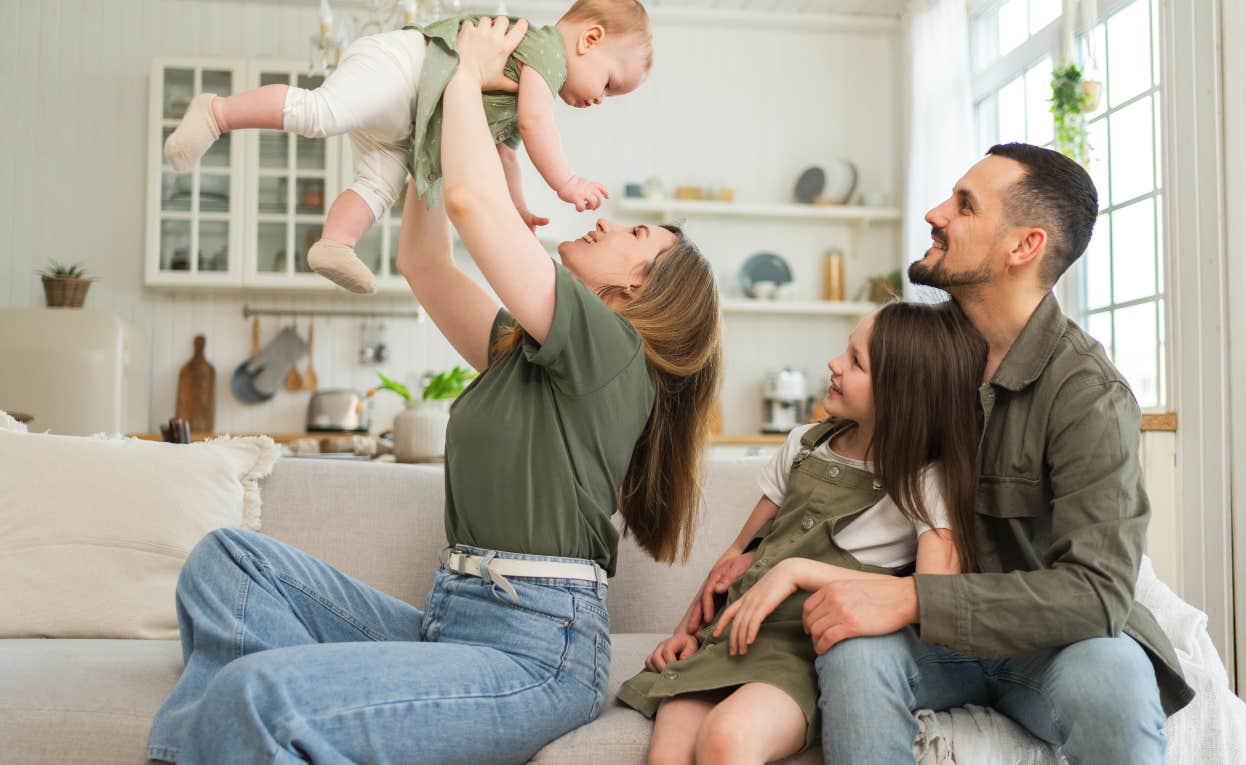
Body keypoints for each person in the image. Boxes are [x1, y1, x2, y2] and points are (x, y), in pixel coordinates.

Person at [146, 17, 721, 764]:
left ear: (640, 288)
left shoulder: (615, 352)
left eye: (636, 233)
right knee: (228, 562)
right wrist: (434, 116)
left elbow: (476, 206)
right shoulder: (526, 347)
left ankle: (266, 722)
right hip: (455, 619)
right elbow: (424, 262)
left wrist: (462, 75)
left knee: (259, 691)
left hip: (537, 652)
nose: (609, 219)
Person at [784, 143, 1193, 763]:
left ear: (1022, 247)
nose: (935, 213)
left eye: (964, 206)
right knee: (853, 649)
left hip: (1050, 646)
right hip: (929, 644)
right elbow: (836, 454)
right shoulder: (922, 356)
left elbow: (1097, 593)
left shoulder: (1088, 393)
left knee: (1115, 671)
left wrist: (915, 597)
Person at [618, 300, 989, 764]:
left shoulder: (924, 481)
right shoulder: (803, 444)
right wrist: (685, 631)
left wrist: (800, 571)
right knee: (667, 754)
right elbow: (737, 554)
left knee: (726, 739)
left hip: (801, 657)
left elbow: (932, 596)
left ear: (902, 394)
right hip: (730, 638)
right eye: (844, 351)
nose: (834, 364)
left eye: (857, 362)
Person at [162, 0, 652, 294]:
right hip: (405, 69)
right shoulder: (545, 54)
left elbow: (505, 153)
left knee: (378, 182)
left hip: (413, 117)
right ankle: (218, 112)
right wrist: (566, 182)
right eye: (610, 83)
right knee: (320, 113)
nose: (599, 100)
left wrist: (518, 208)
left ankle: (335, 244)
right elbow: (536, 122)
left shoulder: (529, 83)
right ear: (589, 39)